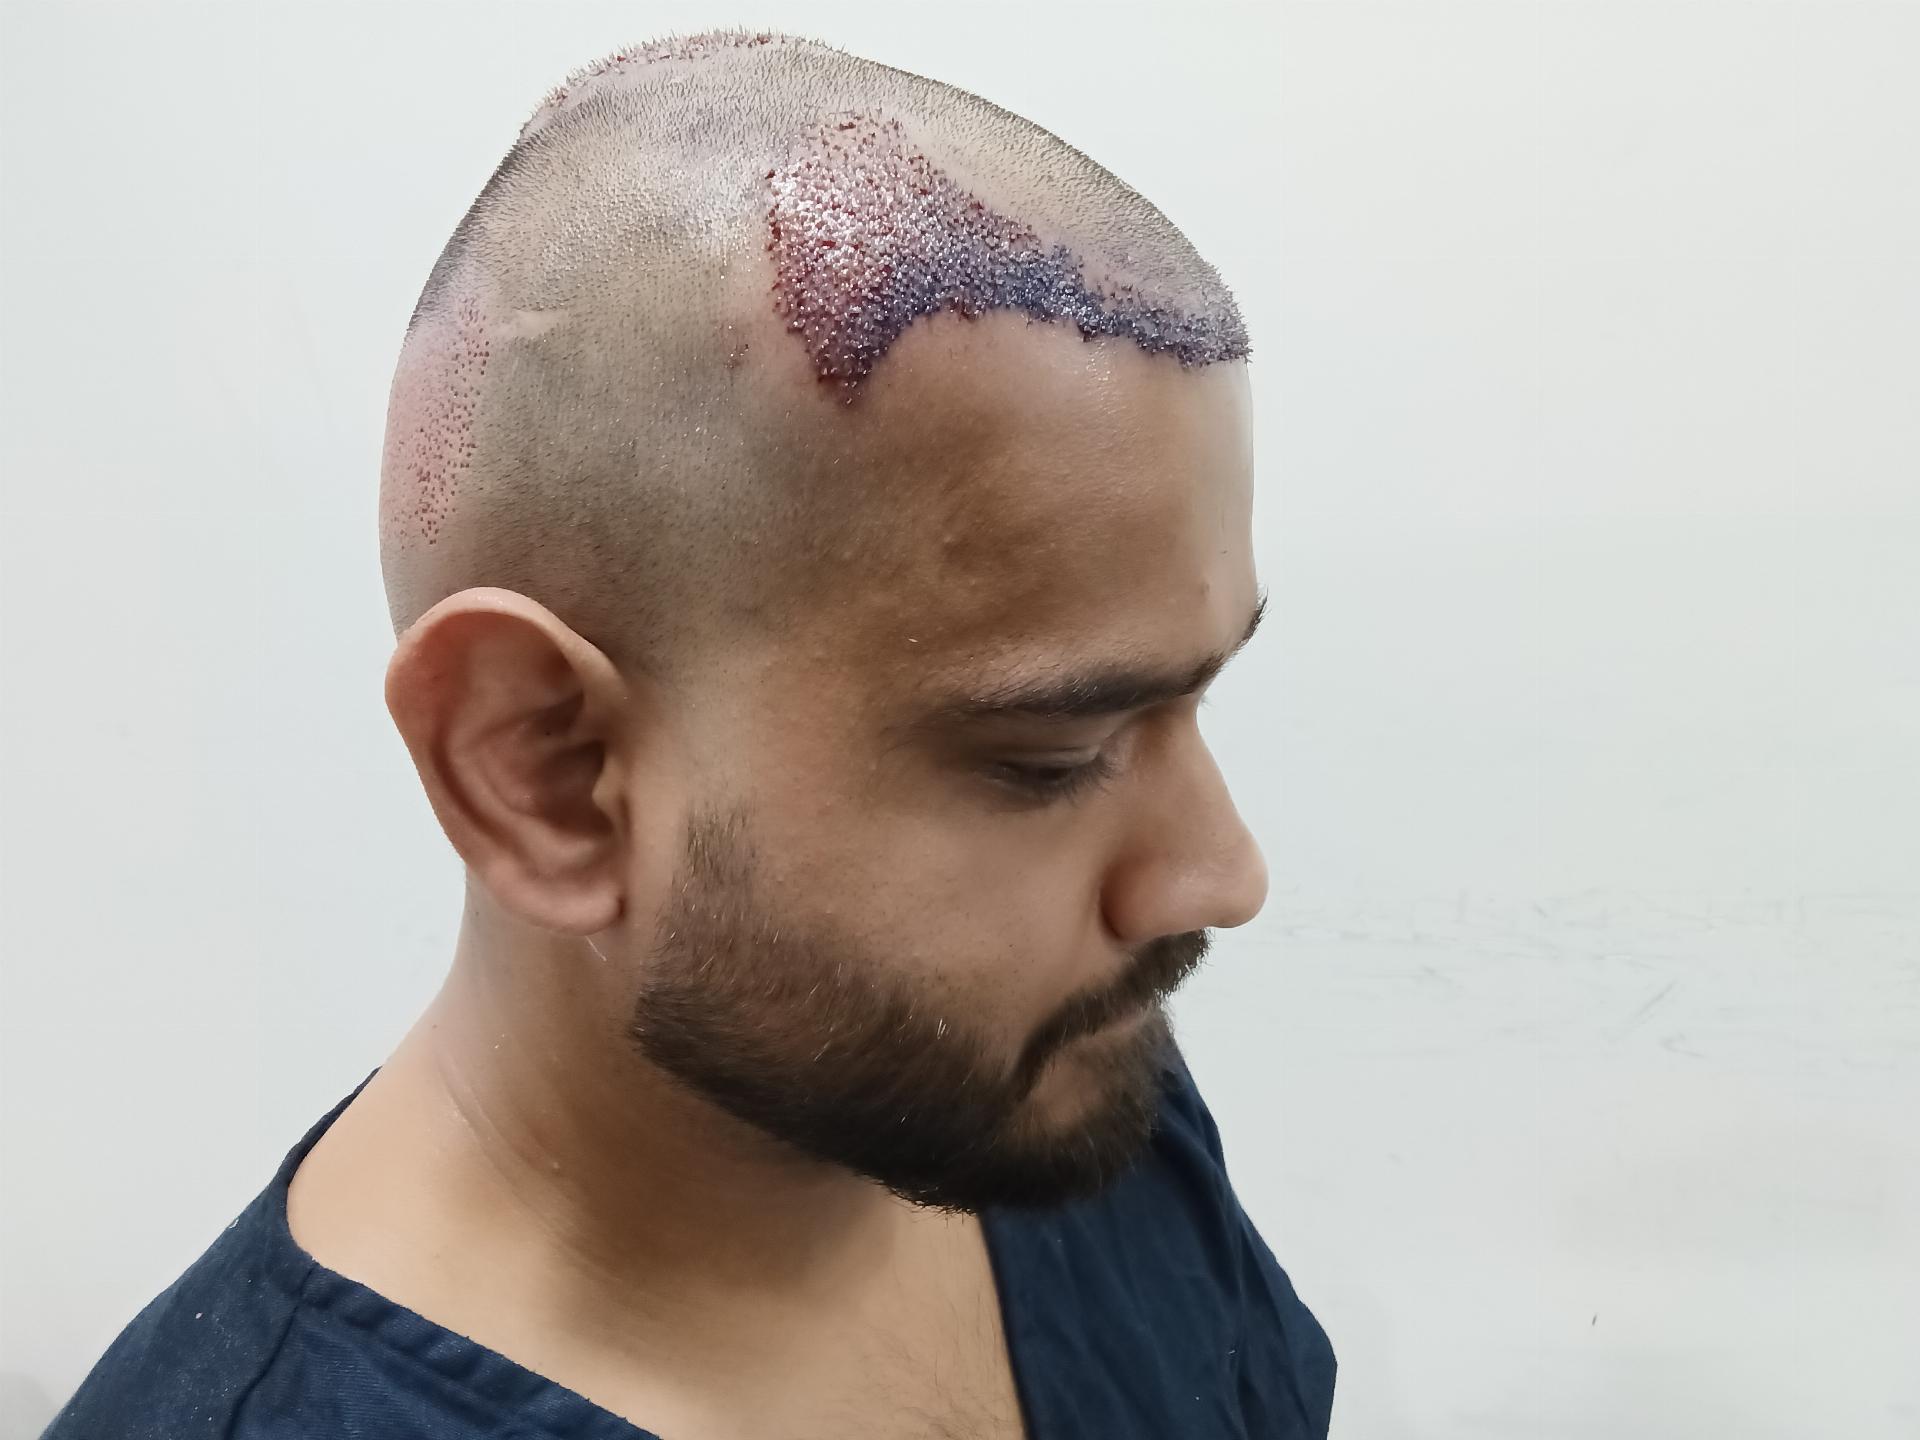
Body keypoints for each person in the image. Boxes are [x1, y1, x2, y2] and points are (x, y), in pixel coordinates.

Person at [45, 28, 1336, 1440]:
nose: (1221, 875)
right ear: (546, 773)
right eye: (1051, 761)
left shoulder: (1043, 1079)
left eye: (1196, 699)